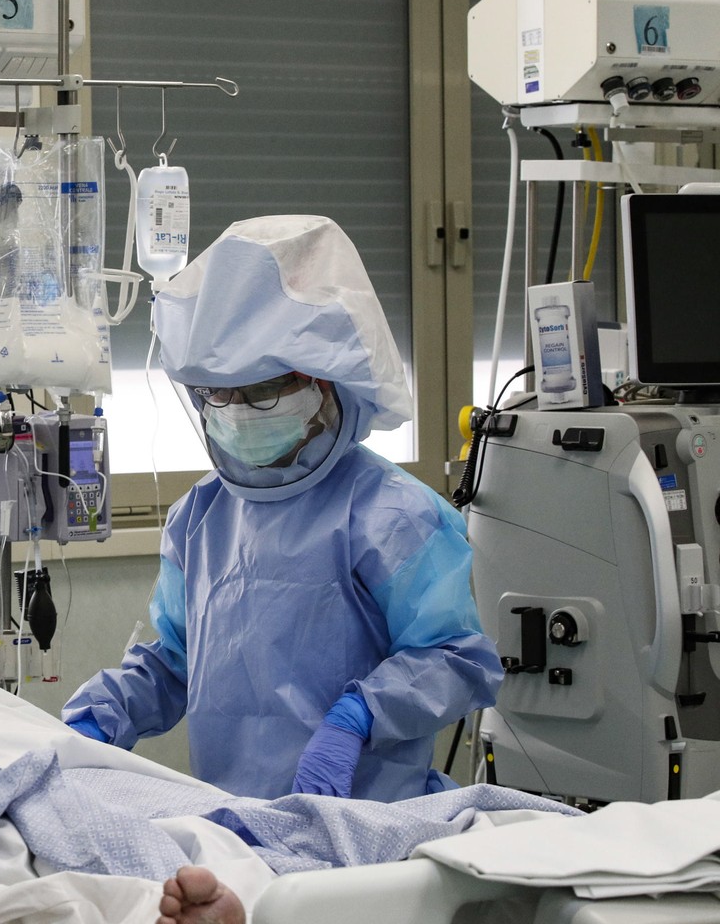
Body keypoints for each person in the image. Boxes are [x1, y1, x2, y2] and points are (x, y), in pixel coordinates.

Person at [63, 216, 503, 802]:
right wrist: (101, 718)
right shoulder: (199, 519)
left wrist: (358, 717)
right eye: (219, 393)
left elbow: (454, 659)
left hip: (366, 815)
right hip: (234, 817)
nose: (238, 410)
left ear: (327, 382)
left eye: (262, 390)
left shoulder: (390, 515)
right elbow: (175, 664)